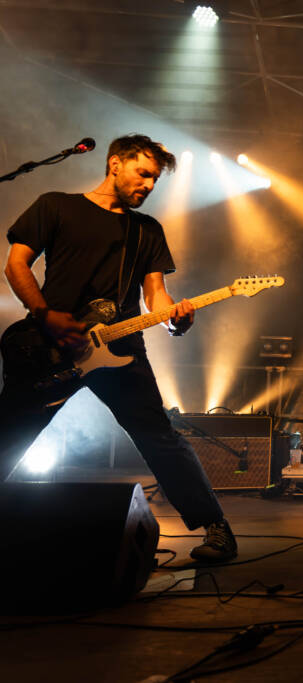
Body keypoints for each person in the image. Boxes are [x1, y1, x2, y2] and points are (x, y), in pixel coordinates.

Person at [0, 134, 238, 562]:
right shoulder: (56, 206)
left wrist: (173, 319)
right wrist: (45, 314)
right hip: (51, 345)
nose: (148, 185)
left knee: (160, 436)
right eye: (142, 174)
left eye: (154, 179)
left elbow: (155, 295)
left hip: (121, 347)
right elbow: (16, 264)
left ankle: (216, 527)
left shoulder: (147, 230)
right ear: (115, 164)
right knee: (10, 431)